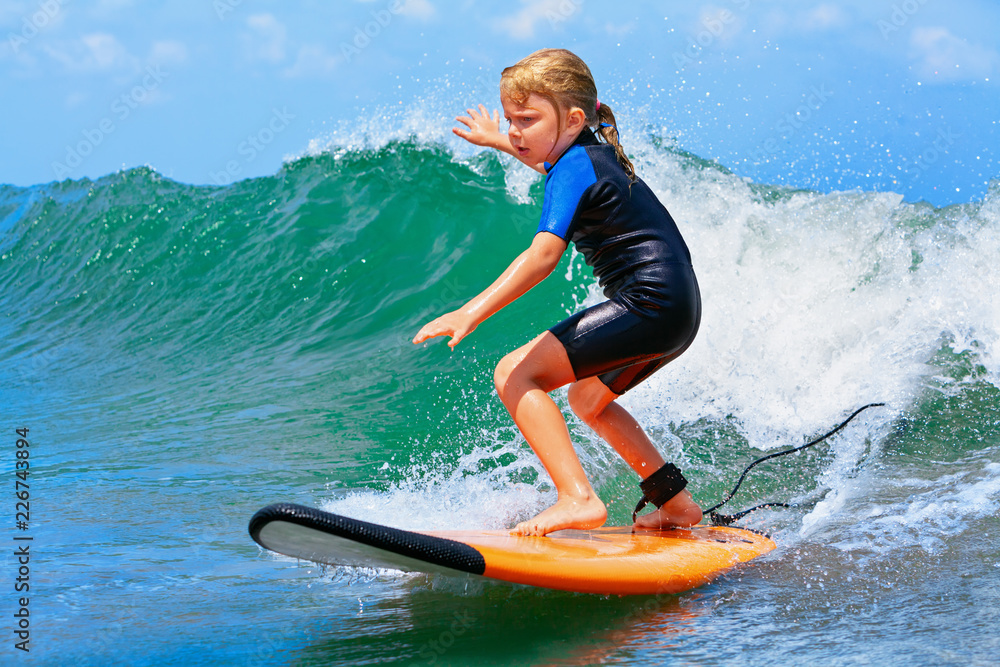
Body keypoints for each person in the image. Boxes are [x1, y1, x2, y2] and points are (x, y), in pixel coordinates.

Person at [413, 48, 703, 536]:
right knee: (589, 400)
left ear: (571, 119)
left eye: (526, 119)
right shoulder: (588, 156)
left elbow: (543, 257)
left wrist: (470, 311)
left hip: (649, 303)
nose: (516, 131)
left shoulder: (572, 167)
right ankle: (677, 505)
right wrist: (501, 143)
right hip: (678, 309)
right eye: (510, 120)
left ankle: (577, 498)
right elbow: (557, 169)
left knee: (513, 373)